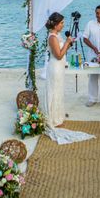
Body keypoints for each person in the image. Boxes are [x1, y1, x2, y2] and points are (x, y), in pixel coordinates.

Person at [42, 13, 94, 145]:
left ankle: (58, 116)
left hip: (59, 67)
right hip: (55, 67)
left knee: (58, 91)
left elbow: (62, 51)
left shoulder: (57, 35)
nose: (63, 25)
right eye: (61, 23)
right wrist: (67, 42)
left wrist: (69, 44)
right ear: (55, 24)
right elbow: (58, 55)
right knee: (54, 91)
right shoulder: (52, 37)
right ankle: (53, 118)